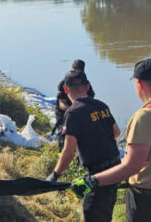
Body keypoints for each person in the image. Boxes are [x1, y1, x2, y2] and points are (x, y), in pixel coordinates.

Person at [72, 59, 151, 222]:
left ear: (139, 84)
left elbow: (132, 166)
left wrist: (93, 180)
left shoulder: (144, 117)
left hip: (145, 199)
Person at [46, 70, 121, 222]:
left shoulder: (73, 113)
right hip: (116, 169)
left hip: (98, 174)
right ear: (87, 87)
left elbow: (69, 151)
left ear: (66, 90)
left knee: (92, 213)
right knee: (105, 212)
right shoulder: (101, 105)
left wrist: (55, 175)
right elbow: (116, 132)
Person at [53, 60, 95, 151]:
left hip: (80, 112)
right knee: (63, 135)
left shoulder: (86, 83)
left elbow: (90, 100)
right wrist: (73, 110)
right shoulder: (64, 83)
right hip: (64, 113)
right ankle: (61, 154)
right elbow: (61, 104)